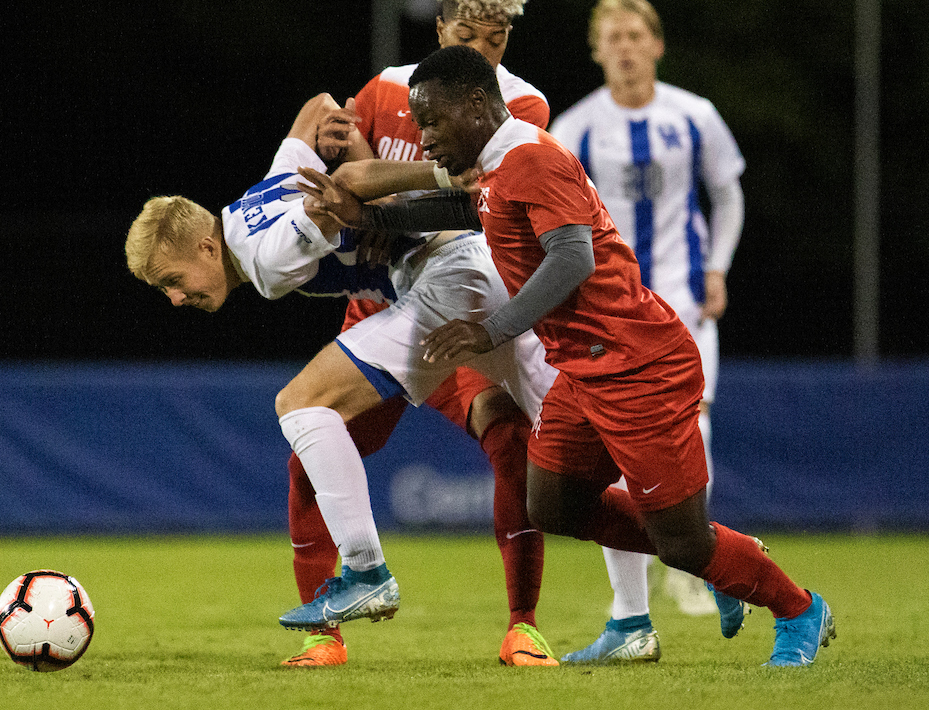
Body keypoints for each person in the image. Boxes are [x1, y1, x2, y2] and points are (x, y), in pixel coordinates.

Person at [297, 44, 835, 667]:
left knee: (683, 541)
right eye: (419, 123)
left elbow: (573, 258)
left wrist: (490, 329)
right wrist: (366, 215)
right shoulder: (500, 163)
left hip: (639, 366)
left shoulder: (529, 157)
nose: (424, 136)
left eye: (434, 120)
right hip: (584, 368)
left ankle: (797, 607)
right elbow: (465, 207)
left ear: (477, 103)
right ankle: (726, 558)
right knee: (550, 502)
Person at [124, 91, 560, 666]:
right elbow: (316, 106)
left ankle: (365, 570)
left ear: (205, 246)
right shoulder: (253, 201)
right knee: (581, 451)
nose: (176, 299)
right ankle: (707, 561)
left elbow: (346, 186)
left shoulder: (267, 255)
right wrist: (339, 126)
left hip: (452, 283)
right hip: (473, 279)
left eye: (170, 281)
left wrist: (436, 175)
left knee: (300, 406)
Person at [283, 0, 557, 669]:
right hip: (379, 305)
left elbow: (467, 204)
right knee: (309, 454)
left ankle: (522, 625)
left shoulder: (517, 108)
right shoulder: (383, 90)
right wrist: (354, 173)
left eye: (495, 41)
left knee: (513, 443)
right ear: (439, 27)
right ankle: (324, 637)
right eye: (468, 35)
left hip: (457, 315)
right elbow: (338, 166)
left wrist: (380, 204)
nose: (480, 54)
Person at [546, 0, 747, 657]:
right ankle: (633, 613)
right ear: (597, 49)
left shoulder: (695, 116)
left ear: (656, 44)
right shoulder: (574, 130)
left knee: (696, 426)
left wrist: (716, 267)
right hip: (609, 317)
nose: (626, 47)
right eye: (614, 37)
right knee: (607, 455)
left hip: (683, 306)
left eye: (636, 35)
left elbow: (727, 191)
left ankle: (697, 560)